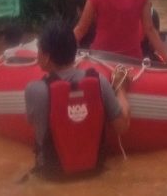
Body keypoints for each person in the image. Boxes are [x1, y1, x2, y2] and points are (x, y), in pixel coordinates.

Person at [25, 20, 130, 179]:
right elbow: (122, 126)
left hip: (51, 178)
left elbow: (35, 127)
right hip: (94, 174)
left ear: (46, 57)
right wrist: (120, 88)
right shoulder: (100, 82)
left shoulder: (34, 90)